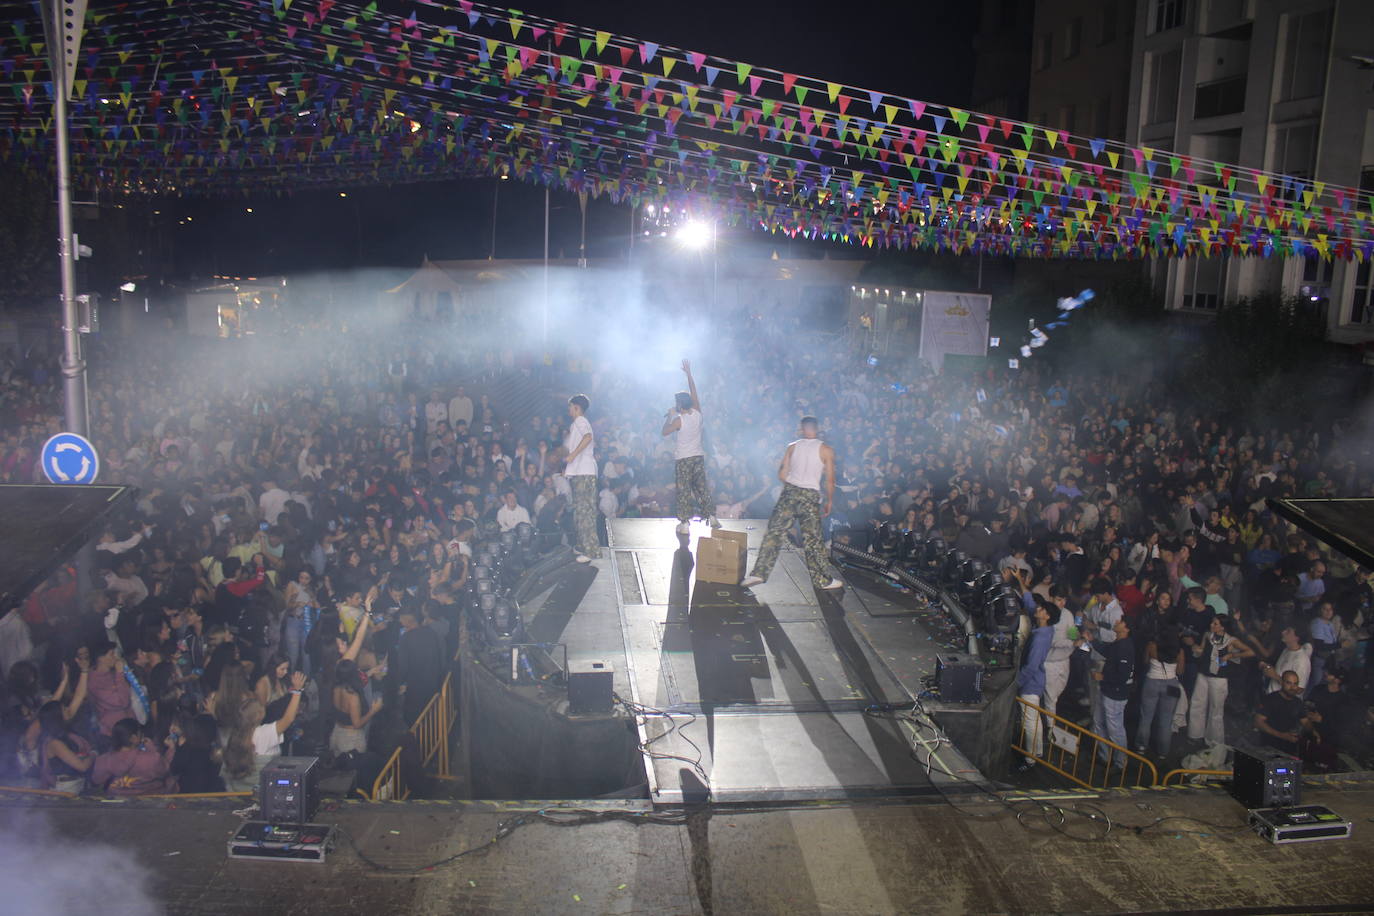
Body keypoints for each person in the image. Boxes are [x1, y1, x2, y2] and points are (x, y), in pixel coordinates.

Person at [741, 417, 843, 591]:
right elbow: (830, 480)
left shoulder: (792, 446)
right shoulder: (826, 450)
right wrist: (829, 501)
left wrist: (793, 484)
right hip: (809, 495)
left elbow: (781, 475)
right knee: (812, 539)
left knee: (774, 532)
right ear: (817, 429)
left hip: (790, 492)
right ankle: (822, 580)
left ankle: (759, 573)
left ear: (802, 429)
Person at [222, 671, 306, 792]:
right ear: (259, 714)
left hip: (237, 793)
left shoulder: (234, 734)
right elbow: (288, 718)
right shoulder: (263, 734)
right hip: (260, 794)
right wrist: (297, 691)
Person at [662, 359, 719, 535]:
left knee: (684, 490)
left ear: (680, 405)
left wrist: (670, 415)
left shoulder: (679, 420)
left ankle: (685, 523)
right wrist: (689, 374)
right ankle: (711, 516)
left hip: (683, 459)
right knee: (701, 487)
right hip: (698, 457)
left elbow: (664, 432)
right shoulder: (698, 414)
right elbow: (694, 392)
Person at [1186, 615, 1252, 747]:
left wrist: (1231, 655)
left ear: (1222, 627)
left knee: (1216, 709)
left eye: (1215, 624)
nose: (1212, 625)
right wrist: (1195, 648)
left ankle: (1214, 741)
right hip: (1203, 673)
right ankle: (1195, 734)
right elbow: (1202, 650)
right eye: (1212, 622)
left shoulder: (1231, 640)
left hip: (1219, 678)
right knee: (1197, 703)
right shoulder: (1207, 635)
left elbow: (1250, 652)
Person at [1086, 616, 1135, 769]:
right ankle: (1105, 756)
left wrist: (1103, 677)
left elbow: (1123, 675)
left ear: (1126, 629)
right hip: (1106, 690)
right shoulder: (1118, 643)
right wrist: (1092, 640)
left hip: (1116, 695)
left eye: (1120, 621)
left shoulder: (1125, 647)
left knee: (1115, 730)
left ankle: (1120, 763)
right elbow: (1107, 651)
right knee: (1098, 722)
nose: (1116, 622)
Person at [1014, 600, 1056, 771]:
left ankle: (1030, 759)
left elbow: (1031, 666)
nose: (1038, 609)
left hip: (1030, 685)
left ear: (1047, 616)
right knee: (1035, 720)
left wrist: (1017, 683)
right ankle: (1037, 752)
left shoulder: (1039, 638)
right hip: (1036, 681)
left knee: (1029, 724)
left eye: (1042, 609)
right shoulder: (1047, 631)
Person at [90, 718, 178, 796]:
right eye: (140, 734)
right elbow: (165, 770)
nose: (142, 735)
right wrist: (170, 749)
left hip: (117, 802)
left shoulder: (103, 760)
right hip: (150, 801)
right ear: (133, 738)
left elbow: (96, 780)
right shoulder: (151, 758)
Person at [1135, 621, 1184, 758]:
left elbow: (1145, 661)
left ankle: (1141, 746)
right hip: (1171, 684)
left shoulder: (1151, 646)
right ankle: (1163, 752)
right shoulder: (1179, 651)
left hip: (1152, 682)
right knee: (1166, 720)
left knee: (1146, 717)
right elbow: (1180, 671)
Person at [564, 394, 600, 564]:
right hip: (581, 472)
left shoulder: (580, 421)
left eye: (570, 407)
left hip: (584, 473)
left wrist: (573, 455)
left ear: (576, 407)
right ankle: (582, 545)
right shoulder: (577, 423)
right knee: (579, 511)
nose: (568, 410)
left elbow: (588, 437)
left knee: (585, 512)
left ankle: (591, 550)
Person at [1255, 670, 1311, 756]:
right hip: (1268, 747)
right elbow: (1258, 722)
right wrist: (1282, 735)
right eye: (1289, 683)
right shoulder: (1271, 699)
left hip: (1289, 750)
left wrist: (1313, 731)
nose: (1292, 687)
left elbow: (1305, 722)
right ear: (1282, 682)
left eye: (1295, 684)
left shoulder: (1298, 703)